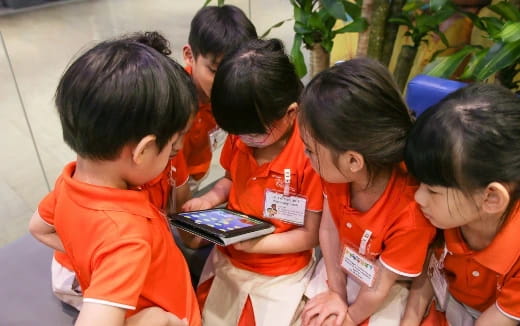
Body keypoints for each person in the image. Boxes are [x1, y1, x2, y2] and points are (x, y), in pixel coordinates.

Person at [28, 32, 201, 326]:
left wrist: (94, 260)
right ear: (144, 150)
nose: (176, 151)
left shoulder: (69, 182)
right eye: (172, 145)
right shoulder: (126, 237)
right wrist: (157, 319)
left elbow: (38, 228)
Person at [182, 39, 323, 326]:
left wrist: (256, 244)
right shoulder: (242, 134)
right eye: (238, 133)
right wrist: (208, 201)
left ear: (290, 113)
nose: (246, 139)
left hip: (281, 270)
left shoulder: (311, 155)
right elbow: (230, 179)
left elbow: (311, 235)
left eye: (255, 133)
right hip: (228, 259)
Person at [299, 58, 436, 326]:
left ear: (353, 161)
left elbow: (378, 288)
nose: (306, 157)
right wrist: (336, 293)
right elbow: (328, 229)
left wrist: (348, 318)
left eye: (310, 151)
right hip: (341, 270)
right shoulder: (335, 172)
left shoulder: (410, 212)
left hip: (390, 285)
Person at [402, 83, 520, 326]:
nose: (418, 198)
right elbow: (430, 266)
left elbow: (500, 317)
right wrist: (411, 319)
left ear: (491, 198)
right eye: (420, 184)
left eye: (432, 190)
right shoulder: (445, 212)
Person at [182, 4, 258, 192]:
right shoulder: (174, 102)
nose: (226, 82)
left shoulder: (234, 93)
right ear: (189, 56)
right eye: (214, 71)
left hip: (197, 175)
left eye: (235, 71)